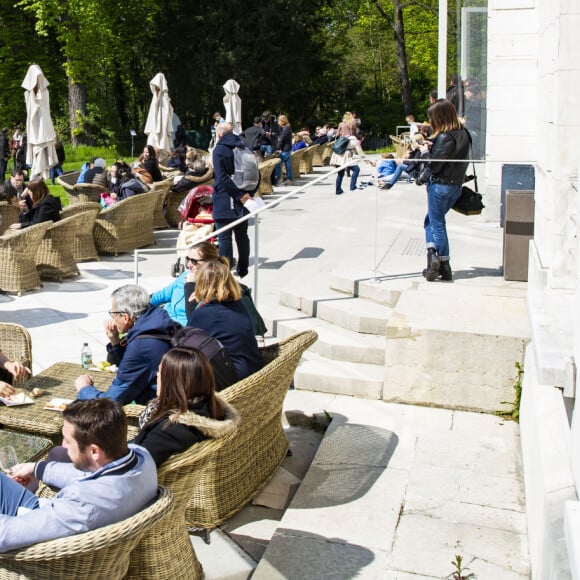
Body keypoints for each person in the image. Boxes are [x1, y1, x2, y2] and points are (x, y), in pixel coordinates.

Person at [0, 398, 157, 553]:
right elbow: (93, 474)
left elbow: (5, 535)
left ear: (94, 451)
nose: (63, 445)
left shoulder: (83, 503)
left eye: (68, 441)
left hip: (34, 531)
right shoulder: (143, 458)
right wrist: (37, 468)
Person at [132, 347, 240, 466]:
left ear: (173, 382)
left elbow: (135, 468)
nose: (157, 375)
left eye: (160, 372)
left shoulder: (169, 430)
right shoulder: (211, 407)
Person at [75, 284, 179, 405]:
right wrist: (115, 342)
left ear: (125, 317)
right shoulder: (157, 320)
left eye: (113, 315)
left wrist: (85, 389)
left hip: (164, 407)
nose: (113, 320)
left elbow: (112, 401)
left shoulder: (142, 345)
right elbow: (133, 366)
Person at [416, 99, 470, 282]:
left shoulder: (445, 137)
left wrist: (425, 152)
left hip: (441, 185)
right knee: (430, 221)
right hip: (455, 185)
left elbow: (435, 165)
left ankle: (443, 263)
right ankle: (433, 257)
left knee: (436, 224)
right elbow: (450, 156)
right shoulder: (463, 133)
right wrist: (434, 148)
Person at [185, 259, 264, 381]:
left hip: (232, 376)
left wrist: (195, 302)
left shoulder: (206, 313)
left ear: (201, 283)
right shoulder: (239, 304)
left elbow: (186, 344)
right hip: (252, 366)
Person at [212, 122, 255, 279]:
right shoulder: (244, 147)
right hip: (243, 199)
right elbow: (254, 173)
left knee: (224, 237)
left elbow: (222, 177)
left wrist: (238, 195)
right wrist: (247, 194)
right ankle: (243, 268)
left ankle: (226, 272)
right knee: (242, 236)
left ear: (219, 134)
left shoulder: (220, 150)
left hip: (225, 198)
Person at [150, 242, 219, 326]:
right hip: (162, 319)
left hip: (180, 330)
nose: (189, 265)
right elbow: (163, 294)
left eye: (194, 261)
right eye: (188, 259)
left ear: (209, 263)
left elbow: (194, 317)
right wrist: (140, 305)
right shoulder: (185, 275)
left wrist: (191, 285)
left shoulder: (213, 286)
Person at [329, 111, 362, 194]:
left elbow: (337, 134)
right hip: (348, 145)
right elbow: (355, 132)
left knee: (340, 173)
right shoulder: (352, 123)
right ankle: (352, 186)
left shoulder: (341, 124)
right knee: (356, 169)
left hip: (340, 147)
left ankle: (338, 190)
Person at [274, 114, 293, 185]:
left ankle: (279, 179)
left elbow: (281, 140)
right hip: (288, 148)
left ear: (282, 121)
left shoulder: (285, 129)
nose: (278, 122)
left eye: (278, 121)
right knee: (288, 164)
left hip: (285, 149)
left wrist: (277, 148)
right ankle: (289, 179)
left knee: (278, 164)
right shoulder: (288, 128)